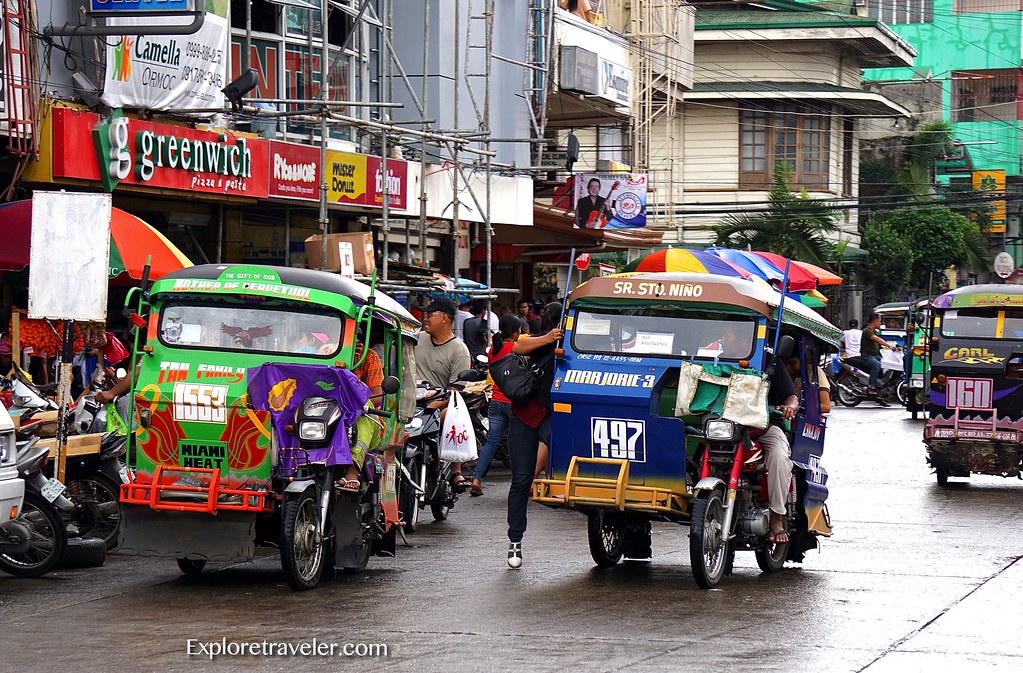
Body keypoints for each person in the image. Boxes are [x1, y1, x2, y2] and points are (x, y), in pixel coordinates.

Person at [719, 323, 797, 545]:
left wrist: (790, 406)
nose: (724, 337)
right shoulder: (714, 360)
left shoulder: (770, 363)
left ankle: (776, 518)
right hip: (725, 426)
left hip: (763, 426)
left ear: (745, 340)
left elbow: (791, 397)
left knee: (780, 459)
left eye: (729, 333)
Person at [505, 302, 563, 568]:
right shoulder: (541, 342)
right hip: (526, 413)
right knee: (520, 480)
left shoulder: (574, 346)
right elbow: (517, 347)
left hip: (558, 416)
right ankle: (515, 541)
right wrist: (549, 339)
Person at [414, 296, 473, 490]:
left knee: (450, 418)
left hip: (439, 403)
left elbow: (454, 392)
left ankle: (455, 470)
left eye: (431, 314)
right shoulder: (417, 338)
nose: (426, 318)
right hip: (411, 401)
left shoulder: (459, 350)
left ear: (445, 319)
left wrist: (429, 408)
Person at [470, 314, 522, 497]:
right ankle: (520, 484)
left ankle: (476, 479)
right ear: (516, 333)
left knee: (492, 442)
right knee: (517, 444)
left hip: (496, 400)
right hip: (514, 403)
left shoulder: (493, 350)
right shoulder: (517, 348)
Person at [860, 312, 897, 401]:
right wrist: (890, 346)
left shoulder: (874, 332)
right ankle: (871, 387)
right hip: (867, 357)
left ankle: (881, 388)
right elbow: (878, 340)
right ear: (875, 321)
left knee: (887, 366)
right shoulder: (867, 331)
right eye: (879, 321)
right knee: (876, 365)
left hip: (876, 356)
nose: (880, 323)